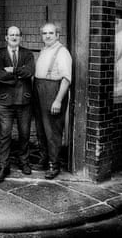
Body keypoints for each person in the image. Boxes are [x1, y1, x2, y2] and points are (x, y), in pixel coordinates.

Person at [0, 26, 35, 183]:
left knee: (24, 134)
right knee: (5, 135)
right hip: (5, 101)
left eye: (17, 35)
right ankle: (4, 166)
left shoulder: (28, 54)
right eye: (11, 34)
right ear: (6, 37)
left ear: (21, 38)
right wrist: (18, 74)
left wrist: (12, 71)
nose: (14, 37)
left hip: (24, 101)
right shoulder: (0, 54)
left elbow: (30, 72)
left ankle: (24, 162)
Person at [33, 22, 72, 180]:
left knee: (52, 131)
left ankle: (54, 165)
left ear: (57, 35)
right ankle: (44, 158)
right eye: (44, 33)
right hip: (39, 90)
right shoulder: (44, 50)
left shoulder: (62, 52)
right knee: (41, 129)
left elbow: (66, 79)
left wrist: (57, 100)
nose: (47, 36)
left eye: (51, 33)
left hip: (53, 91)